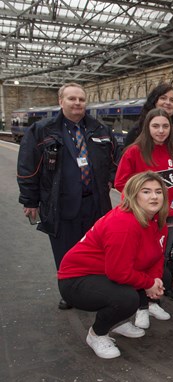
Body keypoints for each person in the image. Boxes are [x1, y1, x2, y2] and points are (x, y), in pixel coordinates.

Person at [17, 82, 117, 310]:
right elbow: (28, 167)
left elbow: (114, 159)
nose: (77, 103)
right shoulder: (42, 130)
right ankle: (69, 293)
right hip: (60, 204)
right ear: (61, 102)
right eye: (72, 99)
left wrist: (112, 176)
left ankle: (94, 291)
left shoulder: (99, 129)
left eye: (81, 99)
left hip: (95, 203)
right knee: (65, 252)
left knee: (96, 250)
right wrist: (29, 200)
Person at [57, 171, 168, 359]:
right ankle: (97, 334)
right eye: (146, 191)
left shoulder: (156, 219)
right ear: (133, 195)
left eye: (158, 191)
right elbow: (119, 272)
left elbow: (157, 255)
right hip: (77, 280)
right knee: (127, 298)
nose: (154, 196)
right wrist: (149, 284)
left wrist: (155, 278)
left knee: (164, 275)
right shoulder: (123, 223)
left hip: (105, 273)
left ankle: (119, 320)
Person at [115, 108, 173, 320]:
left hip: (166, 218)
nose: (161, 131)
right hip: (139, 218)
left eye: (165, 126)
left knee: (158, 261)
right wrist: (143, 195)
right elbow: (120, 183)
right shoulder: (134, 151)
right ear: (147, 127)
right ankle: (140, 306)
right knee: (138, 261)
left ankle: (153, 300)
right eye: (156, 126)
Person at [121, 83, 173, 150]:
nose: (168, 103)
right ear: (154, 101)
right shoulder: (138, 129)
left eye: (172, 100)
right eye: (163, 98)